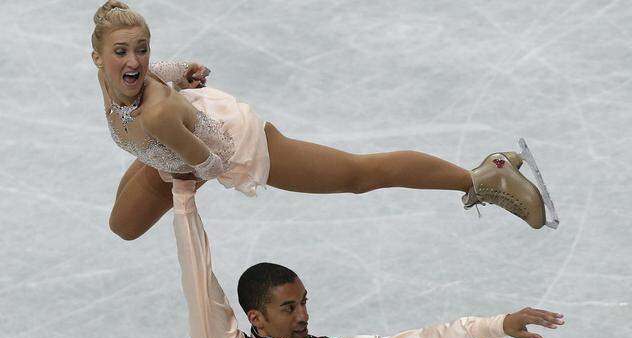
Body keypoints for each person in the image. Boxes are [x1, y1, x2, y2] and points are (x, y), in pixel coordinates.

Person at [91, 1, 558, 241]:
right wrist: (184, 68)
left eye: (142, 49)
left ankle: (482, 176)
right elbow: (155, 74)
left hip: (228, 144)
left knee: (357, 175)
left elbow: (210, 161)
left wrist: (185, 167)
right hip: (171, 142)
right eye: (121, 52)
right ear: (97, 57)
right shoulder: (115, 79)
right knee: (123, 225)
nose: (134, 61)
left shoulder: (156, 112)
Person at [171, 178, 564, 338]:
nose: (303, 315)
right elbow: (198, 279)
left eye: (304, 302)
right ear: (256, 318)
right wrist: (183, 197)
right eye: (289, 308)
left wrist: (496, 325)